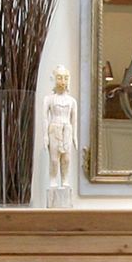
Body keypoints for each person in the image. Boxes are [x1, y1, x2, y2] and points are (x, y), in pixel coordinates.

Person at [44, 64, 78, 204]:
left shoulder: (72, 101)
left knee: (66, 159)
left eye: (65, 78)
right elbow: (45, 118)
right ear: (54, 79)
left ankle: (65, 180)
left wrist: (75, 136)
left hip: (67, 130)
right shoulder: (49, 99)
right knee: (54, 159)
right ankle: (53, 179)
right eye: (59, 78)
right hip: (54, 129)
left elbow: (74, 120)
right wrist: (45, 136)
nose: (62, 81)